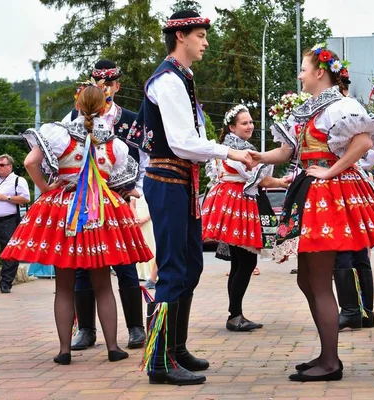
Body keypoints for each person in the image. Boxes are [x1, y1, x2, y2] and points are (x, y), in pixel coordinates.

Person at [250, 43, 374, 381]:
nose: (300, 75)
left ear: (320, 72)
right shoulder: (310, 110)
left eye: (303, 69)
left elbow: (363, 143)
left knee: (318, 281)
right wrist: (259, 157)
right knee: (307, 279)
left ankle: (331, 362)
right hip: (310, 191)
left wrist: (331, 171)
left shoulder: (341, 105)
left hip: (326, 195)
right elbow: (290, 150)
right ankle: (325, 352)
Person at [126, 10, 252, 386]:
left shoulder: (182, 78)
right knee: (172, 270)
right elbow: (182, 141)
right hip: (166, 180)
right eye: (200, 35)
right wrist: (229, 152)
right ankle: (159, 361)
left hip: (183, 181)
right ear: (181, 37)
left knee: (191, 266)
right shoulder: (167, 80)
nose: (205, 41)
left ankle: (176, 348)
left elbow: (188, 141)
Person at [0, 84, 153, 365]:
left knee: (65, 286)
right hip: (100, 213)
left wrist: (46, 188)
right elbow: (121, 183)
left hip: (64, 212)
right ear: (105, 108)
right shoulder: (114, 144)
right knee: (104, 285)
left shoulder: (59, 134)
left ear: (78, 105)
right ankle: (113, 347)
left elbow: (30, 161)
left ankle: (64, 351)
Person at [63, 60, 148, 352]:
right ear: (90, 83)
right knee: (83, 265)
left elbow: (145, 161)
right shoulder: (73, 116)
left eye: (110, 82)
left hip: (117, 200)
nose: (105, 87)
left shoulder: (131, 119)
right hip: (83, 204)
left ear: (118, 85)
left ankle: (136, 328)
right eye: (99, 81)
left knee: (125, 262)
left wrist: (135, 193)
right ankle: (85, 330)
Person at [201, 104, 289, 332]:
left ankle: (235, 314)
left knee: (240, 261)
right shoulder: (236, 149)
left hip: (235, 201)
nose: (250, 126)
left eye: (251, 122)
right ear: (232, 127)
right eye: (244, 123)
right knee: (246, 261)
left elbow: (258, 179)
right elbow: (254, 177)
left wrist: (280, 182)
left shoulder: (233, 147)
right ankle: (234, 315)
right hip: (237, 203)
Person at [333, 74, 374, 331]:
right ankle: (365, 311)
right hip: (358, 184)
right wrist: (360, 165)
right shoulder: (356, 107)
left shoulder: (342, 107)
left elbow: (366, 147)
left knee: (344, 247)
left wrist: (346, 164)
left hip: (343, 183)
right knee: (358, 249)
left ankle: (351, 309)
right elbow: (372, 152)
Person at [0, 154, 30, 293]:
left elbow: (25, 199)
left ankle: (6, 284)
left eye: (2, 165)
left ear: (10, 166)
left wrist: (7, 198)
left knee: (10, 253)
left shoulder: (18, 180)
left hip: (9, 221)